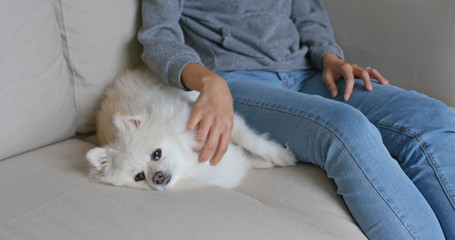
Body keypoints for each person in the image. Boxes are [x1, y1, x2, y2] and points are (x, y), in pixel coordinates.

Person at [138, 0, 455, 239]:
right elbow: (158, 37)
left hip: (309, 73)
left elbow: (308, 13)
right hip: (237, 82)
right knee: (347, 128)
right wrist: (209, 81)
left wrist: (330, 58)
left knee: (432, 116)